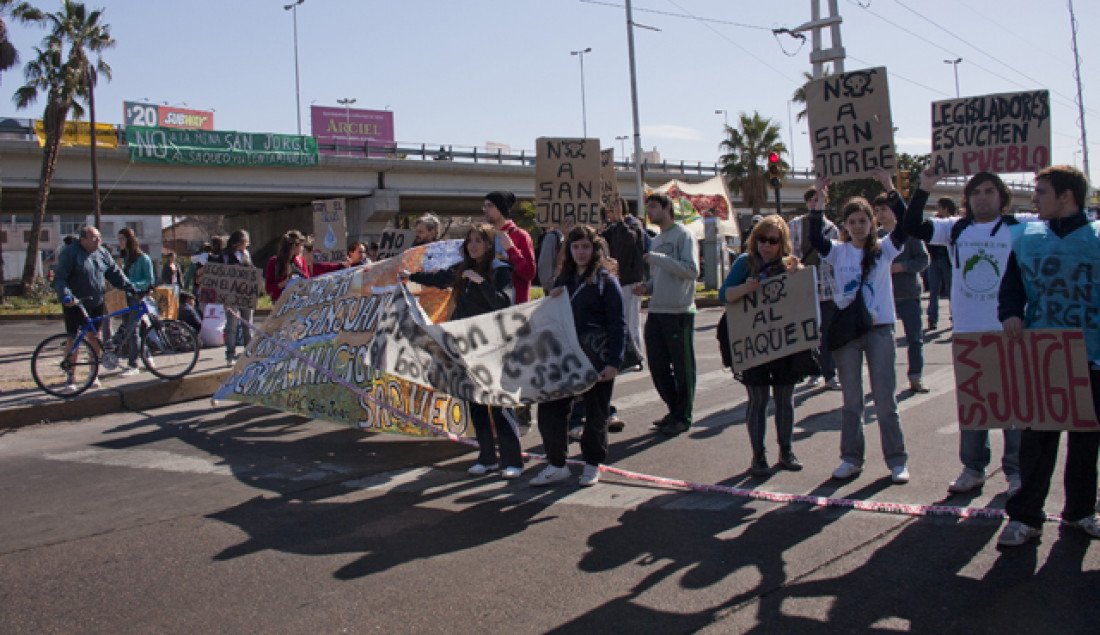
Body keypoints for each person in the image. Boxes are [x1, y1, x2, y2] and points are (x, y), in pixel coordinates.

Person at [902, 168, 1032, 497]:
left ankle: (1017, 471)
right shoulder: (956, 228)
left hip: (1012, 329)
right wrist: (925, 188)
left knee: (1016, 409)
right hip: (969, 330)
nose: (982, 197)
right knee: (975, 405)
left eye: (989, 191)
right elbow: (912, 225)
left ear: (1002, 197)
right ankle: (973, 468)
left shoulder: (1022, 228)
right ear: (967, 199)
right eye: (976, 192)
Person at [997, 165, 1100, 547]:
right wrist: (1009, 313)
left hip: (1094, 358)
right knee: (1037, 443)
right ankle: (1026, 518)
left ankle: (1080, 512)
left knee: (1087, 442)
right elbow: (1011, 288)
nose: (1034, 198)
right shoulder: (1027, 239)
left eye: (1041, 192)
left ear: (1067, 197)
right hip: (1045, 357)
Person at [808, 172, 910, 484]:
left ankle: (896, 461)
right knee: (852, 401)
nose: (858, 226)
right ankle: (851, 459)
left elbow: (906, 224)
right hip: (848, 335)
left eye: (863, 220)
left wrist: (890, 190)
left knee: (884, 400)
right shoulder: (838, 251)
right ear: (845, 226)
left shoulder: (885, 248)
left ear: (872, 223)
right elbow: (814, 239)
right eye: (851, 221)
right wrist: (819, 202)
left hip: (879, 330)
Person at [402, 224, 524, 479]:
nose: (473, 245)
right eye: (470, 241)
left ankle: (512, 461)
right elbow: (438, 279)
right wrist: (410, 276)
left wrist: (481, 283)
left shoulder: (500, 271)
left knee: (499, 403)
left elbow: (504, 303)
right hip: (466, 345)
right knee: (476, 403)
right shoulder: (462, 269)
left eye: (479, 240)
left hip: (493, 345)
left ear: (489, 244)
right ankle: (487, 457)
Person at [532, 225, 626, 487]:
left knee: (596, 413)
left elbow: (618, 323)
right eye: (575, 247)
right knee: (551, 408)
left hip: (597, 356)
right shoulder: (563, 281)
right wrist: (551, 299)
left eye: (585, 246)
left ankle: (592, 464)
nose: (581, 252)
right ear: (569, 250)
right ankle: (557, 463)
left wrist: (614, 362)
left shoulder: (606, 281)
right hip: (564, 357)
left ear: (594, 249)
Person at [720, 215, 813, 476]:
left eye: (772, 240)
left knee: (785, 398)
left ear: (782, 243)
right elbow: (724, 294)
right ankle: (758, 455)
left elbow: (805, 294)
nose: (766, 245)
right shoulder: (744, 263)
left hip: (782, 344)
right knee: (757, 399)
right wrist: (745, 289)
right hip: (754, 342)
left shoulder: (789, 265)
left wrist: (799, 273)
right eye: (761, 239)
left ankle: (786, 450)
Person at [633, 192, 699, 437]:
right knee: (658, 366)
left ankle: (684, 415)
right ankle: (674, 409)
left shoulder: (684, 234)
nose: (649, 212)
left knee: (683, 367)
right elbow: (658, 277)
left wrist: (660, 259)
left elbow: (692, 271)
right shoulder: (657, 240)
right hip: (657, 309)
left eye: (652, 207)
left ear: (666, 208)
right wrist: (645, 288)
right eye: (647, 207)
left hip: (679, 311)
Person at [53, 226, 140, 390]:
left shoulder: (102, 253)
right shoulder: (70, 253)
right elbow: (60, 277)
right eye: (94, 238)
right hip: (76, 303)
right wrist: (65, 295)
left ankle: (94, 374)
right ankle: (71, 376)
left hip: (96, 301)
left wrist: (130, 287)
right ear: (83, 239)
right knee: (74, 338)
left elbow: (115, 273)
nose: (98, 241)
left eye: (99, 237)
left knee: (95, 337)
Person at [873, 192, 930, 393]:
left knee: (914, 339)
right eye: (878, 210)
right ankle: (884, 381)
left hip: (908, 294)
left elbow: (924, 260)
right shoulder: (874, 237)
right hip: (884, 298)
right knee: (884, 343)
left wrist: (901, 267)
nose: (880, 214)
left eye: (884, 209)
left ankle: (916, 376)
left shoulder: (909, 234)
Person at [601, 198, 647, 433]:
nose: (609, 214)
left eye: (612, 209)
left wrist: (620, 222)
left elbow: (630, 243)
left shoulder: (633, 226)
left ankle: (634, 355)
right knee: (624, 320)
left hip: (629, 280)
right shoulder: (611, 230)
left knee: (630, 320)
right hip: (618, 279)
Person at [788, 186, 841, 391]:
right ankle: (811, 370)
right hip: (803, 286)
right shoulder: (794, 225)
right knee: (806, 332)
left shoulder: (831, 228)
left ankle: (830, 373)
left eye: (817, 200)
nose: (813, 203)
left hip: (826, 286)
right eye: (810, 199)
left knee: (826, 332)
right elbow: (789, 252)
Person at [483, 191, 536, 304]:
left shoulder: (520, 235)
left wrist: (512, 250)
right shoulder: (486, 236)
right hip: (491, 305)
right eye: (484, 206)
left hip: (515, 308)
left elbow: (529, 273)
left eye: (490, 206)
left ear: (501, 209)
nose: (485, 209)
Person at [117, 227, 155, 377]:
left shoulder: (143, 258)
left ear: (129, 240)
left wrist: (131, 284)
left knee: (133, 330)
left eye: (121, 239)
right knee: (130, 330)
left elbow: (149, 280)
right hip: (124, 298)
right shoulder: (124, 258)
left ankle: (134, 364)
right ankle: (146, 355)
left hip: (136, 297)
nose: (119, 243)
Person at [220, 229, 254, 365]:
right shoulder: (225, 256)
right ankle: (230, 355)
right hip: (231, 294)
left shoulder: (246, 254)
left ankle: (248, 354)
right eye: (245, 242)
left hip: (245, 294)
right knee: (232, 326)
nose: (246, 245)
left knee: (248, 325)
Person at [925, 197, 956, 330]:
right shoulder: (935, 223)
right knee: (933, 291)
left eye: (940, 207)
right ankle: (932, 318)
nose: (938, 210)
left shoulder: (955, 224)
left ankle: (955, 317)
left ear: (946, 209)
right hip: (934, 259)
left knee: (951, 291)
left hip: (948, 262)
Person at [265, 230, 309, 303]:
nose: (302, 248)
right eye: (301, 245)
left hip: (299, 299)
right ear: (293, 246)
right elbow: (268, 288)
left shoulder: (301, 260)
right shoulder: (274, 262)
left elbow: (307, 280)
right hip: (281, 301)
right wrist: (282, 284)